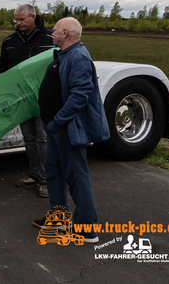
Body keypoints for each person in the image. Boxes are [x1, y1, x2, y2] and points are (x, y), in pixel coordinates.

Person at [33, 17, 110, 243]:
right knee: (54, 172)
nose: (52, 34)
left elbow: (80, 95)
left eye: (55, 31)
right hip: (56, 128)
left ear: (65, 33)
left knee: (76, 175)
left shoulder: (78, 57)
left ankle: (87, 229)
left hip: (66, 128)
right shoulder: (66, 54)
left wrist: (58, 121)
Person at [0, 4, 53, 198]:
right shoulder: (9, 41)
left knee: (43, 139)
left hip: (44, 99)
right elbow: (3, 67)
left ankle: (47, 181)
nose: (18, 23)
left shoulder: (51, 39)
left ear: (33, 17)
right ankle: (35, 174)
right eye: (16, 20)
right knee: (29, 137)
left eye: (22, 20)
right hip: (21, 99)